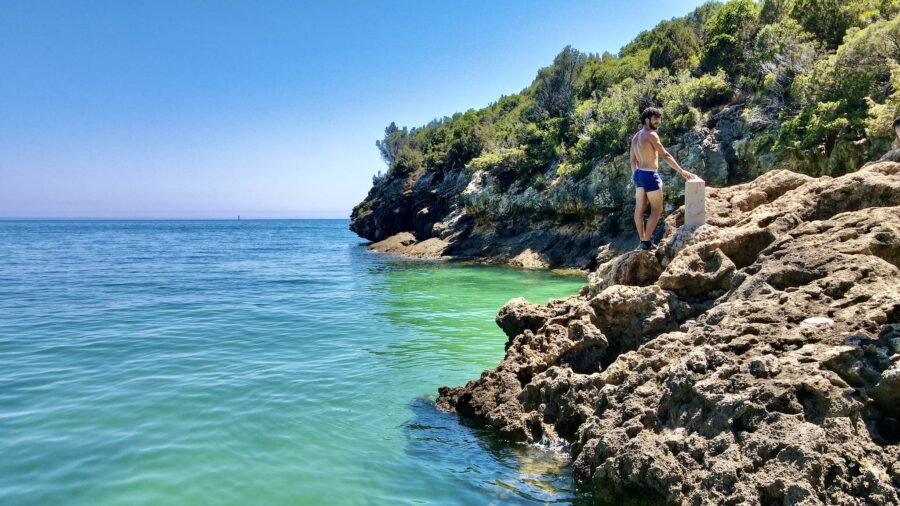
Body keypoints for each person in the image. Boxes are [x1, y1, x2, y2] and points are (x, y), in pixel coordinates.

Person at [630, 107, 697, 250]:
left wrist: (636, 175)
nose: (658, 122)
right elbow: (665, 155)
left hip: (639, 174)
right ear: (646, 120)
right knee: (657, 209)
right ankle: (646, 242)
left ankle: (642, 239)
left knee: (639, 210)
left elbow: (632, 161)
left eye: (659, 119)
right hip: (649, 175)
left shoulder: (636, 137)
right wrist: (681, 171)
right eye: (655, 119)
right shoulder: (651, 135)